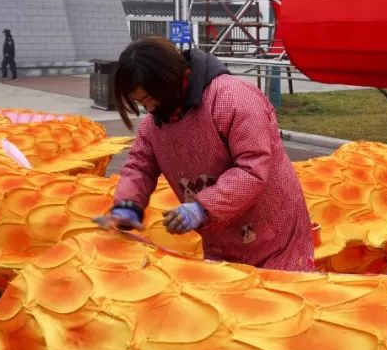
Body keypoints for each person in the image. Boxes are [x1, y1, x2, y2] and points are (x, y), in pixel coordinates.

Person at [96, 37, 316, 271]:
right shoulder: (154, 125)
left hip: (272, 231)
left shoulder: (232, 99)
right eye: (139, 102)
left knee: (279, 298)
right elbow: (139, 167)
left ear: (167, 80)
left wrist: (201, 208)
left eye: (149, 98)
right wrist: (128, 205)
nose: (147, 109)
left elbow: (252, 167)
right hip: (219, 236)